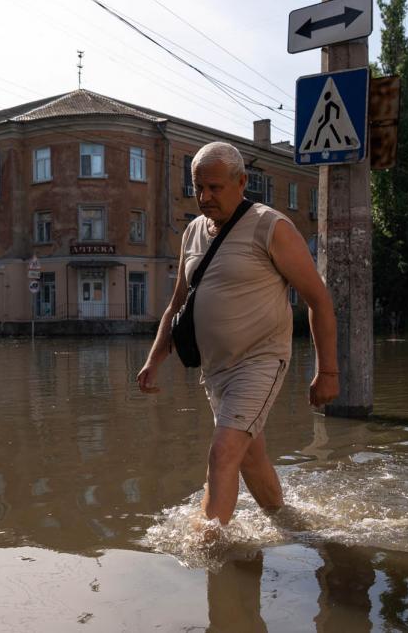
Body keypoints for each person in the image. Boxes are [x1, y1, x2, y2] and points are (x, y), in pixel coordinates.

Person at [136, 142, 338, 525]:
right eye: (198, 187)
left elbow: (319, 300)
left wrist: (327, 371)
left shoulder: (271, 226)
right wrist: (153, 359)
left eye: (214, 188)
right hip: (215, 369)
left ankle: (210, 547)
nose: (204, 197)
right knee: (248, 455)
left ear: (242, 182)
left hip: (260, 361)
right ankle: (291, 522)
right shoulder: (194, 231)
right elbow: (177, 302)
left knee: (223, 452)